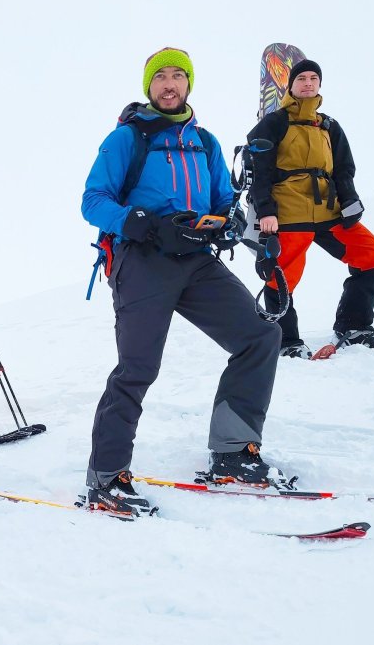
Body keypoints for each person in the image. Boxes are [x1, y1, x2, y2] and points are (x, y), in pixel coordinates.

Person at [79, 47, 283, 513]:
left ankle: (233, 452)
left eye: (178, 76)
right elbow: (93, 200)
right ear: (148, 87)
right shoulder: (127, 139)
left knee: (259, 336)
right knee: (138, 368)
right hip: (142, 260)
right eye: (160, 77)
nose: (169, 84)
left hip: (195, 258)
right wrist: (142, 222)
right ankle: (105, 479)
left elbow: (222, 200)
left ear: (188, 85)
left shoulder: (205, 142)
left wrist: (229, 223)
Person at [246, 59, 374, 358]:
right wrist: (266, 211)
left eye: (314, 78)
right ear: (291, 85)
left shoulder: (329, 126)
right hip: (289, 214)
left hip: (329, 212)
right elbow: (260, 172)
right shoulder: (273, 123)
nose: (308, 83)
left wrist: (349, 201)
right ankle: (285, 341)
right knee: (281, 277)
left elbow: (344, 169)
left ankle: (354, 325)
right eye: (301, 78)